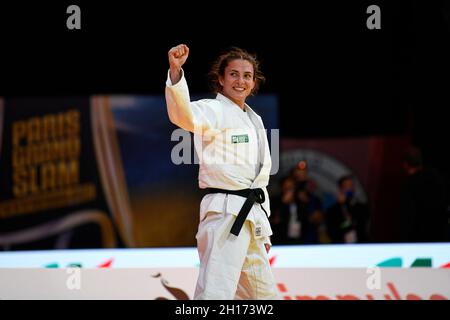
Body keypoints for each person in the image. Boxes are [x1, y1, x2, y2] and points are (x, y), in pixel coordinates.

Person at [165, 44, 279, 299]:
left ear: (254, 82)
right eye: (234, 74)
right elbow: (184, 116)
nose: (241, 81)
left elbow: (258, 180)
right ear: (221, 79)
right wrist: (175, 72)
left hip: (251, 217)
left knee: (264, 297)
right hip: (225, 214)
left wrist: (263, 223)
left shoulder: (254, 119)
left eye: (247, 75)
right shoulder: (214, 110)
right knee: (215, 293)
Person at [399, 147, 448, 242]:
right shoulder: (436, 178)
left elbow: (407, 216)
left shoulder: (409, 185)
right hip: (438, 234)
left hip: (418, 237)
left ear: (405, 164)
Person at [325, 174, 370, 244]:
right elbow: (333, 231)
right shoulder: (333, 210)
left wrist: (346, 205)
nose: (349, 189)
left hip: (360, 246)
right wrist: (341, 205)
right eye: (346, 186)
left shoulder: (362, 208)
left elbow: (359, 224)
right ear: (340, 189)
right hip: (340, 246)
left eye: (351, 186)